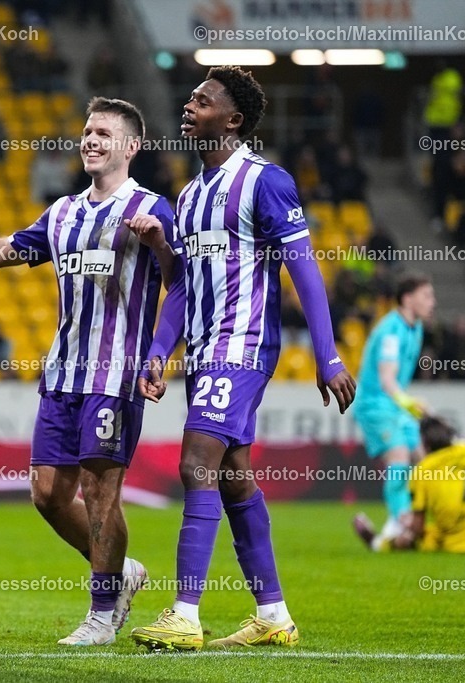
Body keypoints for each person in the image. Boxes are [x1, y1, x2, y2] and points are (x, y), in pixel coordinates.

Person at [0, 97, 176, 646]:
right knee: (46, 494)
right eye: (87, 131)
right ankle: (122, 571)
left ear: (131, 147)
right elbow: (4, 250)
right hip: (62, 374)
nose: (91, 140)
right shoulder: (61, 213)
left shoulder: (152, 208)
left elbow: (179, 281)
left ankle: (102, 614)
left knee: (101, 490)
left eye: (105, 133)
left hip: (115, 374)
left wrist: (159, 246)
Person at [129, 66, 356, 652]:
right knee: (233, 479)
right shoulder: (192, 193)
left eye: (202, 101)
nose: (188, 106)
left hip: (244, 345)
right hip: (204, 352)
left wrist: (327, 356)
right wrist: (159, 351)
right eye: (190, 97)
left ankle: (184, 613)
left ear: (232, 120)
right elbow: (181, 286)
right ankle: (273, 614)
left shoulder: (265, 182)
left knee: (196, 461)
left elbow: (304, 269)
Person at [351, 274, 435, 545]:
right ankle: (397, 524)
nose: (432, 303)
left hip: (397, 404)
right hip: (376, 404)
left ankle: (418, 520)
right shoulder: (390, 331)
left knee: (424, 459)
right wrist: (410, 403)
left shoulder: (416, 327)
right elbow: (387, 379)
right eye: (427, 296)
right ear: (408, 299)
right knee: (399, 457)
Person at [355, 416, 465, 553]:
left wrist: (408, 523)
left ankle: (378, 544)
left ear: (425, 443)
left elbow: (418, 530)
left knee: (410, 537)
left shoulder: (422, 472)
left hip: (459, 541)